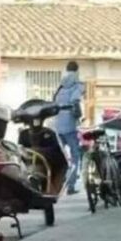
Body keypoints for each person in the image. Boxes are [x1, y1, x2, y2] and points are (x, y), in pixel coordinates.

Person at [53, 60, 84, 195]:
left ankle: (56, 184)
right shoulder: (77, 84)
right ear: (77, 70)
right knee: (75, 155)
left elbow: (54, 101)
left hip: (58, 123)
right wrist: (78, 114)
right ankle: (70, 186)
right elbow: (75, 100)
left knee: (60, 155)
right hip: (70, 124)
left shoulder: (60, 86)